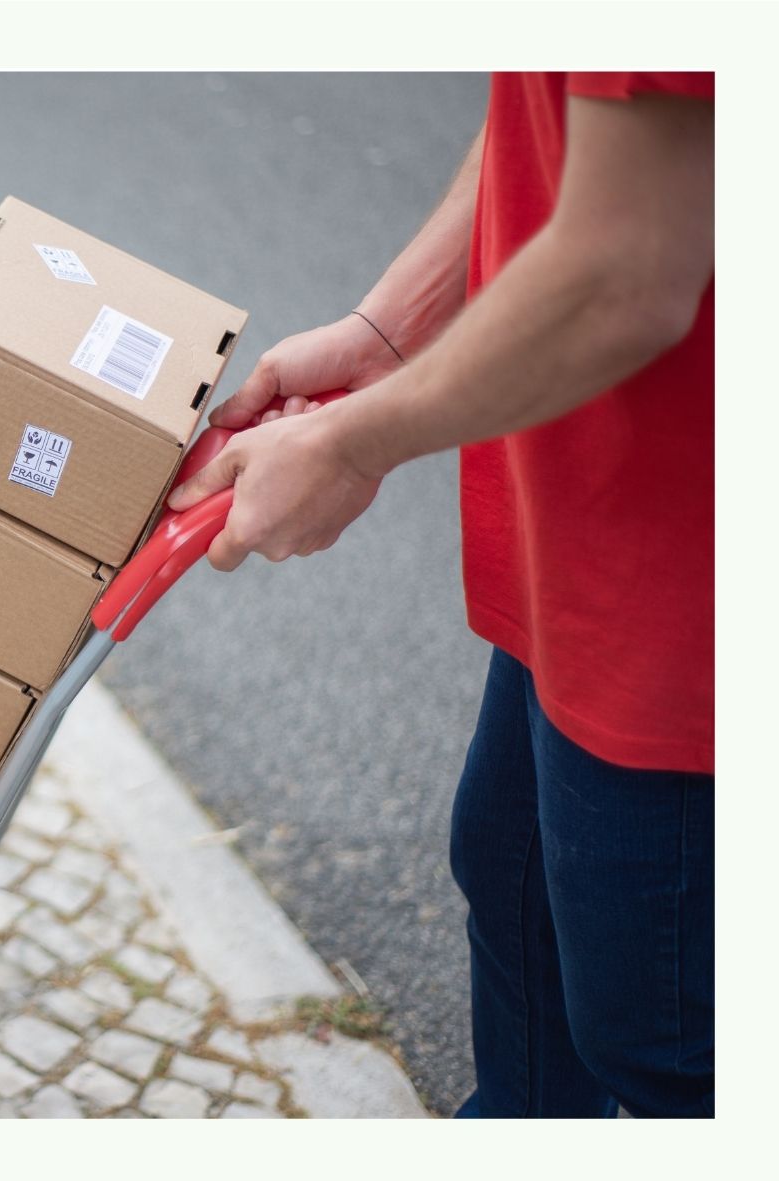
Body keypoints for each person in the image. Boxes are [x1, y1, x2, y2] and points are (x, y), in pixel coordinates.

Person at [174, 73, 714, 1118]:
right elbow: (544, 109)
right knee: (515, 890)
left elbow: (624, 271)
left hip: (685, 582)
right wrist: (384, 334)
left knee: (662, 1031)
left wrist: (346, 440)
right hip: (584, 520)